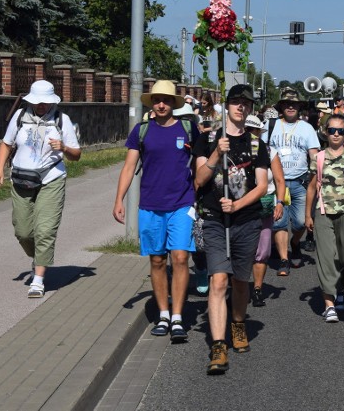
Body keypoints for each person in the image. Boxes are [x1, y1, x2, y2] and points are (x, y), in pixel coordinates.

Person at [193, 84, 270, 375]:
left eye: (246, 103)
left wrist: (237, 207)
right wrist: (215, 154)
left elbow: (261, 185)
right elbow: (199, 180)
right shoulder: (207, 139)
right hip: (214, 219)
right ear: (227, 105)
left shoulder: (255, 144)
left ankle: (238, 323)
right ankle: (218, 345)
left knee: (240, 279)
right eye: (236, 102)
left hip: (245, 220)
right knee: (218, 281)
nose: (241, 107)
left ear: (250, 108)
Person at [112, 80, 197, 343]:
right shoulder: (142, 130)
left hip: (182, 204)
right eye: (157, 100)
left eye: (167, 100)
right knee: (158, 260)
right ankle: (162, 313)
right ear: (152, 103)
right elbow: (129, 167)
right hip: (150, 206)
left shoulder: (188, 128)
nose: (161, 104)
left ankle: (178, 317)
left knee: (181, 258)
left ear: (174, 103)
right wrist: (119, 200)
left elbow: (203, 163)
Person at [0, 80, 82, 299]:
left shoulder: (62, 120)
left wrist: (63, 147)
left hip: (51, 178)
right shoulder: (20, 117)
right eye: (37, 102)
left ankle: (39, 279)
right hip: (22, 178)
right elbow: (6, 144)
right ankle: (39, 256)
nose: (41, 106)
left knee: (45, 230)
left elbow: (77, 155)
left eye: (44, 102)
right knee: (22, 231)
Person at [305, 114, 344, 323]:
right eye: (332, 130)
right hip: (324, 211)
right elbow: (311, 187)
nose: (336, 134)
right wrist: (307, 214)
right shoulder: (318, 157)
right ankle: (329, 304)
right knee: (326, 257)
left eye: (341, 131)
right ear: (326, 132)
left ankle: (343, 288)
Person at [265, 88, 320, 276]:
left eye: (294, 104)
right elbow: (261, 151)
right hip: (276, 183)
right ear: (281, 107)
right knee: (278, 222)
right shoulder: (270, 125)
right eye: (287, 104)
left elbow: (314, 155)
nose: (290, 106)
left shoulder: (307, 128)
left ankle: (295, 243)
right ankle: (283, 259)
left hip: (300, 182)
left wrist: (318, 177)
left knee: (300, 223)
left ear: (299, 107)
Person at [245, 114, 285, 307]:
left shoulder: (269, 151)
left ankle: (258, 289)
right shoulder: (233, 150)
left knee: (262, 250)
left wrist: (280, 203)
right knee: (241, 249)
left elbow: (279, 180)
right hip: (240, 207)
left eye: (254, 131)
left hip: (264, 204)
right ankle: (239, 287)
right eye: (247, 130)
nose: (251, 134)